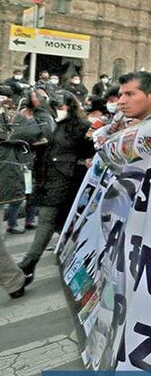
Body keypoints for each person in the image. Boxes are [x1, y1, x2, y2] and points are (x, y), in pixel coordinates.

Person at [16, 91, 93, 277]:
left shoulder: (83, 127)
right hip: (45, 180)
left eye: (61, 107)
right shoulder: (50, 124)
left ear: (70, 106)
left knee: (47, 221)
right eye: (55, 107)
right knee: (55, 223)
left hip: (66, 182)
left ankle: (29, 262)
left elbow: (90, 152)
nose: (58, 110)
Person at [5, 89, 55, 234]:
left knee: (33, 191)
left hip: (38, 158)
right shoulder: (20, 116)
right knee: (19, 191)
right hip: (20, 157)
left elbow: (48, 136)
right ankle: (12, 223)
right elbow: (13, 135)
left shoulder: (44, 116)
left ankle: (30, 220)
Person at [93, 72, 151, 148]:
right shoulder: (120, 124)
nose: (121, 101)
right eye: (120, 95)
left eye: (129, 94)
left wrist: (143, 131)